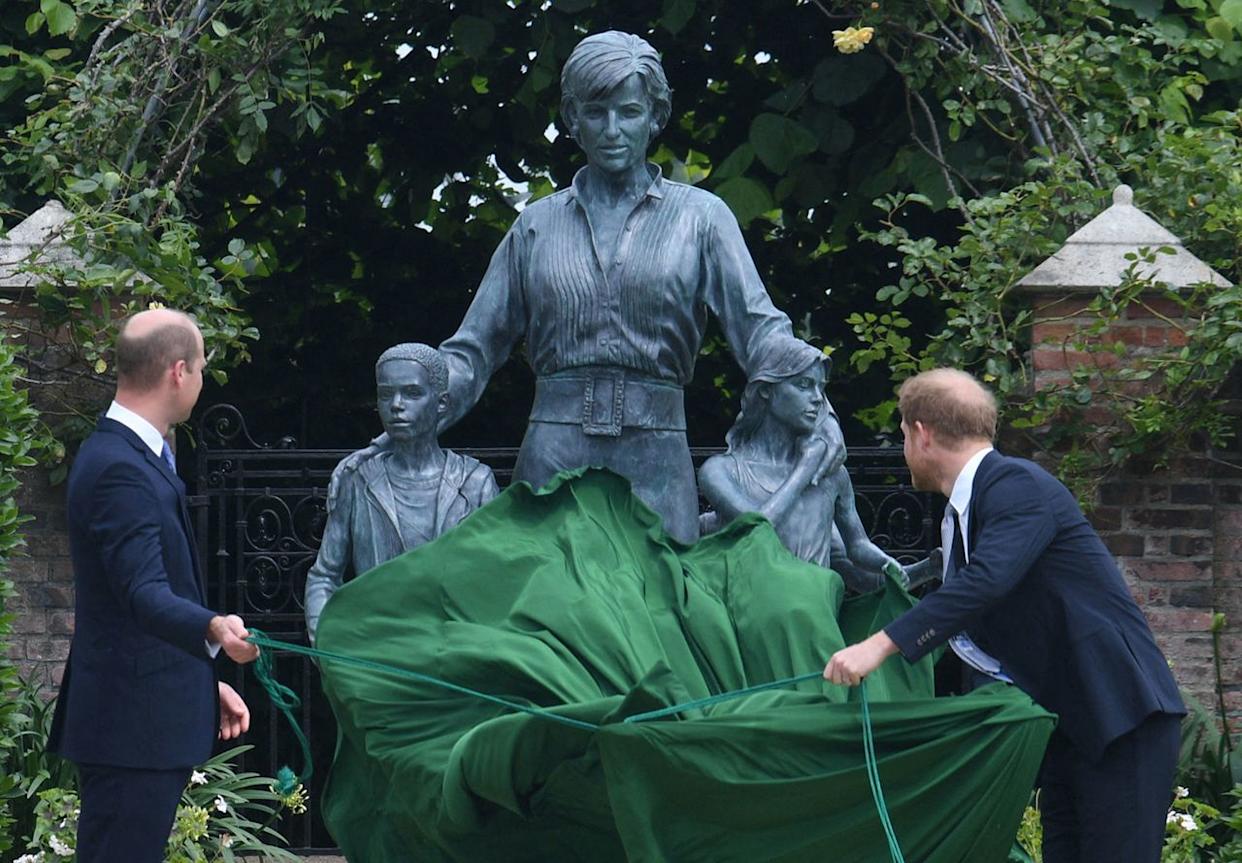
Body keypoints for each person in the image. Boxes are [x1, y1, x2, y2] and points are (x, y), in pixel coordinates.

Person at [345, 31, 821, 543]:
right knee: (543, 605)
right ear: (573, 119)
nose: (612, 129)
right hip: (554, 451)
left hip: (656, 451)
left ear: (656, 117)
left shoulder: (702, 219)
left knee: (658, 607)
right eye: (596, 112)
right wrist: (419, 413)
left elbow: (761, 333)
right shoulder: (536, 226)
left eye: (629, 112)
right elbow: (473, 351)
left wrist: (819, 405)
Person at [823, 367, 1185, 863]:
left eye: (903, 433)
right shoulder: (969, 509)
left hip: (1120, 716)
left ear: (921, 433)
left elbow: (987, 582)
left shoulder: (1017, 485)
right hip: (1071, 728)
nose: (904, 443)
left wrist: (878, 645)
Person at [48, 309, 261, 863]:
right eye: (201, 370)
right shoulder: (120, 466)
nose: (199, 382)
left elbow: (128, 608)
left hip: (138, 718)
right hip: (129, 730)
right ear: (178, 371)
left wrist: (202, 684)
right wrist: (214, 628)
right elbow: (143, 593)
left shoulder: (138, 455)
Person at [305, 344, 498, 643]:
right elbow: (324, 576)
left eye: (412, 393)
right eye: (385, 394)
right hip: (377, 655)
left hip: (454, 660)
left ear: (442, 403)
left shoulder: (476, 483)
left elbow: (496, 581)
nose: (396, 405)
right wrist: (328, 647)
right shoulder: (358, 481)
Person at [698, 341, 904, 592]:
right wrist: (804, 469)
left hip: (817, 617)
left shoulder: (831, 475)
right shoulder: (720, 471)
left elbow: (858, 553)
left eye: (821, 388)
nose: (818, 399)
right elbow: (757, 531)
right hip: (749, 616)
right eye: (804, 385)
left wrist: (904, 567)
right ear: (766, 390)